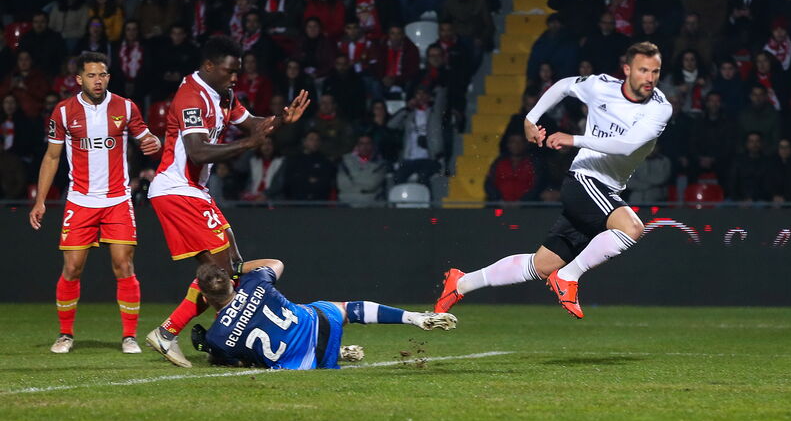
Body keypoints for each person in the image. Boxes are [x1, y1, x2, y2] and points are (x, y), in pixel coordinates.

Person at [436, 42, 671, 319]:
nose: (650, 78)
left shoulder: (659, 108)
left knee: (541, 266)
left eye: (655, 71)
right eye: (643, 70)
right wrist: (531, 118)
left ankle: (461, 283)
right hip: (584, 180)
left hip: (606, 190)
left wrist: (574, 139)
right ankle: (568, 277)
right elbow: (564, 86)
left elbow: (626, 146)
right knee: (632, 228)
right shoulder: (601, 86)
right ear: (627, 69)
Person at [145, 35, 310, 368]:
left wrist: (281, 120)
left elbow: (254, 125)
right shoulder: (191, 97)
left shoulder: (224, 95)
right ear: (209, 66)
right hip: (178, 190)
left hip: (195, 191)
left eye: (237, 71)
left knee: (230, 269)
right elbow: (197, 151)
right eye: (230, 71)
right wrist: (249, 144)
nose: (235, 78)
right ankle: (179, 334)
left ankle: (209, 340)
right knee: (223, 272)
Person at [28, 52, 162, 355]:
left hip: (117, 199)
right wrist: (40, 200)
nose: (98, 81)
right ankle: (65, 334)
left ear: (109, 77)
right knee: (72, 267)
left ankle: (129, 337)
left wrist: (153, 141)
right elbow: (52, 157)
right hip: (80, 200)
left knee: (124, 265)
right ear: (79, 79)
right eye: (91, 75)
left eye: (102, 75)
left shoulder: (125, 107)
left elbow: (147, 139)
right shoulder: (64, 112)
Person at [195, 260, 457, 369]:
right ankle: (413, 317)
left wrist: (209, 347)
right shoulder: (254, 283)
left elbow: (238, 362)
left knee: (256, 356)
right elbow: (276, 263)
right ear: (230, 283)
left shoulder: (218, 337)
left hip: (304, 364)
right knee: (345, 309)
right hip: (320, 324)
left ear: (206, 298)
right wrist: (237, 267)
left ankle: (337, 354)